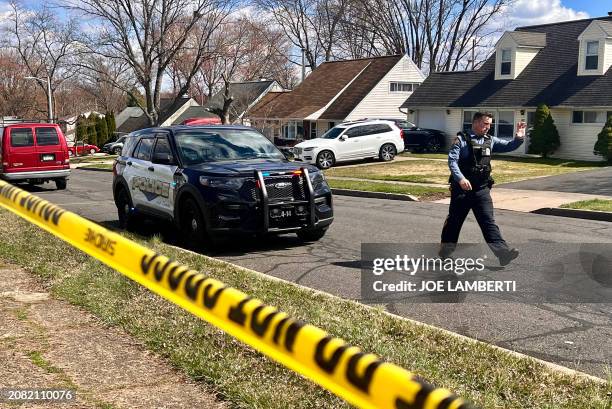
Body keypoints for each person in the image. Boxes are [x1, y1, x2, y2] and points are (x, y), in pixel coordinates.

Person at [440, 111, 526, 266]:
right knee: (454, 222)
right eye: (485, 123)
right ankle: (446, 252)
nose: (488, 127)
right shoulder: (462, 139)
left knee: (488, 222)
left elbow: (509, 146)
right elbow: (452, 161)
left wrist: (519, 137)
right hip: (462, 190)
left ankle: (503, 254)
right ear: (475, 122)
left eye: (489, 124)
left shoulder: (490, 140)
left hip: (481, 189)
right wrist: (461, 179)